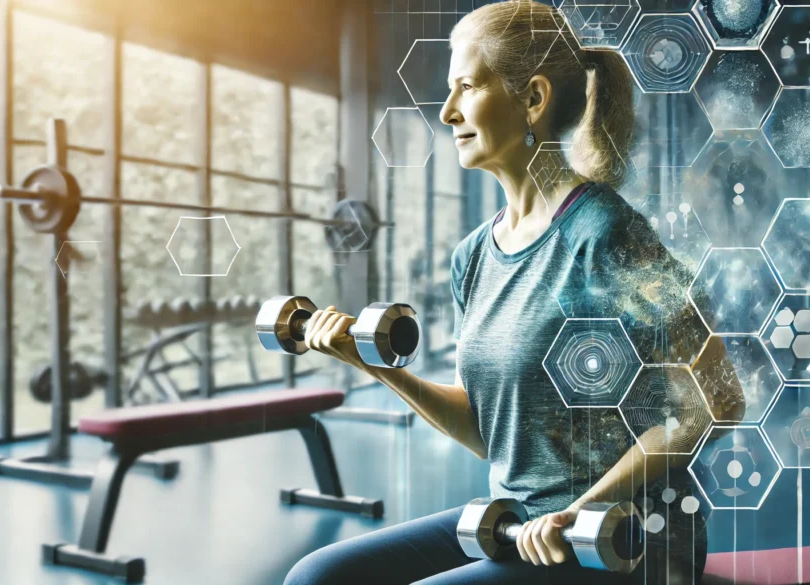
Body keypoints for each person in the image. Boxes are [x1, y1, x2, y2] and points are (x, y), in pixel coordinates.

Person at [285, 2, 744, 584]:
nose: (448, 112)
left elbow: (717, 401)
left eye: (467, 87)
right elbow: (488, 432)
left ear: (532, 99)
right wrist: (374, 365)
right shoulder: (474, 256)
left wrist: (580, 510)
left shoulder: (606, 234)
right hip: (518, 521)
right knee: (317, 576)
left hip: (627, 537)